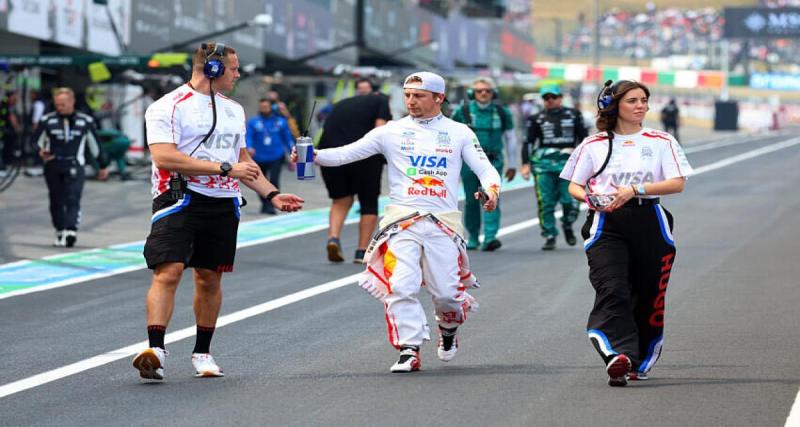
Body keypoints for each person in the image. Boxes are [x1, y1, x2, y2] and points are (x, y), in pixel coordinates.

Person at [293, 71, 501, 373]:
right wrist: (313, 155)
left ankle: (448, 330)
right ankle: (409, 348)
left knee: (446, 295)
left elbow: (486, 169)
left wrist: (491, 190)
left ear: (439, 98)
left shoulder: (459, 133)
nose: (411, 101)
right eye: (407, 95)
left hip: (443, 223)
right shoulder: (390, 131)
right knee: (401, 286)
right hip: (402, 221)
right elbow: (346, 154)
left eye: (419, 96)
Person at [132, 42, 304, 381]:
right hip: (178, 197)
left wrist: (272, 194)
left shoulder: (234, 110)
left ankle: (202, 353)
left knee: (209, 277)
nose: (238, 75)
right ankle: (156, 350)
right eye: (234, 69)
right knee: (169, 270)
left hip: (224, 201)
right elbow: (164, 157)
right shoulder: (167, 106)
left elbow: (243, 159)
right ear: (213, 69)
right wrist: (224, 168)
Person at [559, 80, 693, 387]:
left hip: (650, 220)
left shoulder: (661, 141)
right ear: (613, 105)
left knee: (648, 294)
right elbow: (574, 186)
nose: (641, 106)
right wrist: (591, 198)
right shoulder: (593, 144)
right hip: (606, 223)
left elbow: (677, 183)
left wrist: (635, 189)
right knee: (612, 287)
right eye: (633, 100)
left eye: (644, 100)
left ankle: (640, 360)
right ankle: (617, 355)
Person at [317, 85, 392, 263]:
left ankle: (333, 238)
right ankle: (361, 251)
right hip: (363, 156)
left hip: (330, 155)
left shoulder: (342, 103)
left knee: (340, 200)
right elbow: (380, 129)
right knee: (368, 204)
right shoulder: (381, 100)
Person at [33, 87, 110, 247]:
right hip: (53, 165)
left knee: (72, 197)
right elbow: (36, 142)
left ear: (72, 102)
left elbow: (95, 145)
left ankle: (71, 230)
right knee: (56, 199)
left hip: (75, 164)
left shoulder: (85, 121)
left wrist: (102, 165)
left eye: (63, 104)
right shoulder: (47, 120)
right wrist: (40, 152)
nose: (59, 107)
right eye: (57, 104)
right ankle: (60, 230)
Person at [451, 77, 517, 251]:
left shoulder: (502, 112)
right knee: (471, 200)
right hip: (468, 163)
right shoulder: (462, 111)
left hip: (494, 160)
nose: (483, 93)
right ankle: (473, 237)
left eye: (487, 91)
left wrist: (513, 164)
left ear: (493, 93)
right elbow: (451, 137)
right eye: (479, 91)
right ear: (472, 93)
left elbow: (510, 137)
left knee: (491, 195)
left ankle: (490, 237)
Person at [521, 84, 588, 251]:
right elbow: (528, 142)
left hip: (569, 164)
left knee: (570, 201)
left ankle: (567, 224)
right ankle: (549, 235)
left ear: (560, 98)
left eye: (553, 97)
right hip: (543, 166)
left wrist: (588, 164)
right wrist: (525, 164)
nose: (550, 100)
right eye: (546, 98)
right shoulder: (535, 118)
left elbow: (584, 140)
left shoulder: (574, 114)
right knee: (545, 202)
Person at [246, 98, 295, 214]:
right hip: (258, 157)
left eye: (266, 107)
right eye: (261, 107)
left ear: (271, 107)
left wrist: (292, 153)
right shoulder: (253, 122)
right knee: (259, 182)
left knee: (274, 181)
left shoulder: (280, 122)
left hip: (276, 156)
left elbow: (287, 138)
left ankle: (271, 205)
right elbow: (248, 136)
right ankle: (265, 204)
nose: (264, 109)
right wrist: (249, 147)